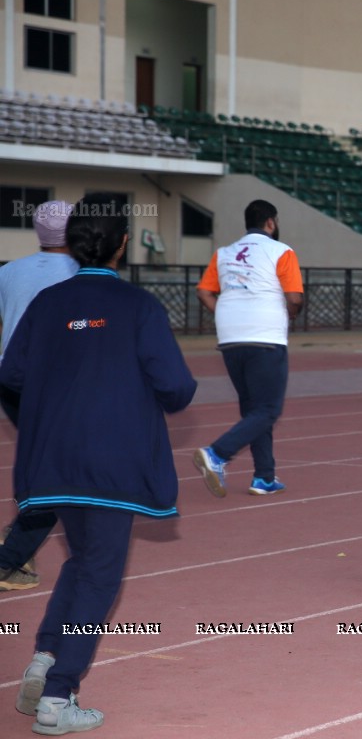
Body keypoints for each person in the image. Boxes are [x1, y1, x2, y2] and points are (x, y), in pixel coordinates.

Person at [1, 194, 196, 734]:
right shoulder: (139, 307)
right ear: (123, 244)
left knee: (81, 563)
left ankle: (44, 659)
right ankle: (57, 700)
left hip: (52, 458)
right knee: (100, 576)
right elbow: (176, 389)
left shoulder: (46, 302)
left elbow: (12, 374)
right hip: (111, 464)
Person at [193, 200, 304, 497]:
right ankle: (217, 453)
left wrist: (223, 313)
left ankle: (264, 477)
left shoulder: (224, 253)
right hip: (265, 335)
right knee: (268, 409)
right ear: (271, 222)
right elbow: (294, 298)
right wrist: (292, 313)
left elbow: (204, 292)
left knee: (254, 409)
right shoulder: (282, 251)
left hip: (230, 336)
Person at [0, 201, 78, 592]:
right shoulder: (81, 272)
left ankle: (17, 543)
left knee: (42, 461)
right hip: (56, 383)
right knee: (63, 472)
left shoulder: (9, 271)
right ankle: (10, 558)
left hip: (11, 379)